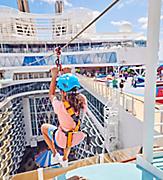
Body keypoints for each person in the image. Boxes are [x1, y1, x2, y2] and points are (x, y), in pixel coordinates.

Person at [41, 67, 87, 167]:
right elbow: (74, 94)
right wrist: (68, 75)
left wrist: (54, 77)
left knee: (44, 128)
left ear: (62, 92)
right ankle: (65, 159)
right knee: (69, 133)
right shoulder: (83, 100)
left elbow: (51, 94)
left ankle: (54, 154)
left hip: (62, 140)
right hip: (78, 136)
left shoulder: (59, 105)